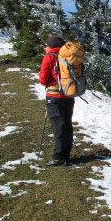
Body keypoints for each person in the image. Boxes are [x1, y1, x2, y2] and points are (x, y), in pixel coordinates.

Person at [38, 36, 75, 166]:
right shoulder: (69, 55)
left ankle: (58, 157)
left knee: (59, 126)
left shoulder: (49, 57)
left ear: (51, 46)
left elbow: (42, 80)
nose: (44, 47)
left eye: (46, 45)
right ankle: (66, 155)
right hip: (69, 95)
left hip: (54, 96)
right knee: (67, 125)